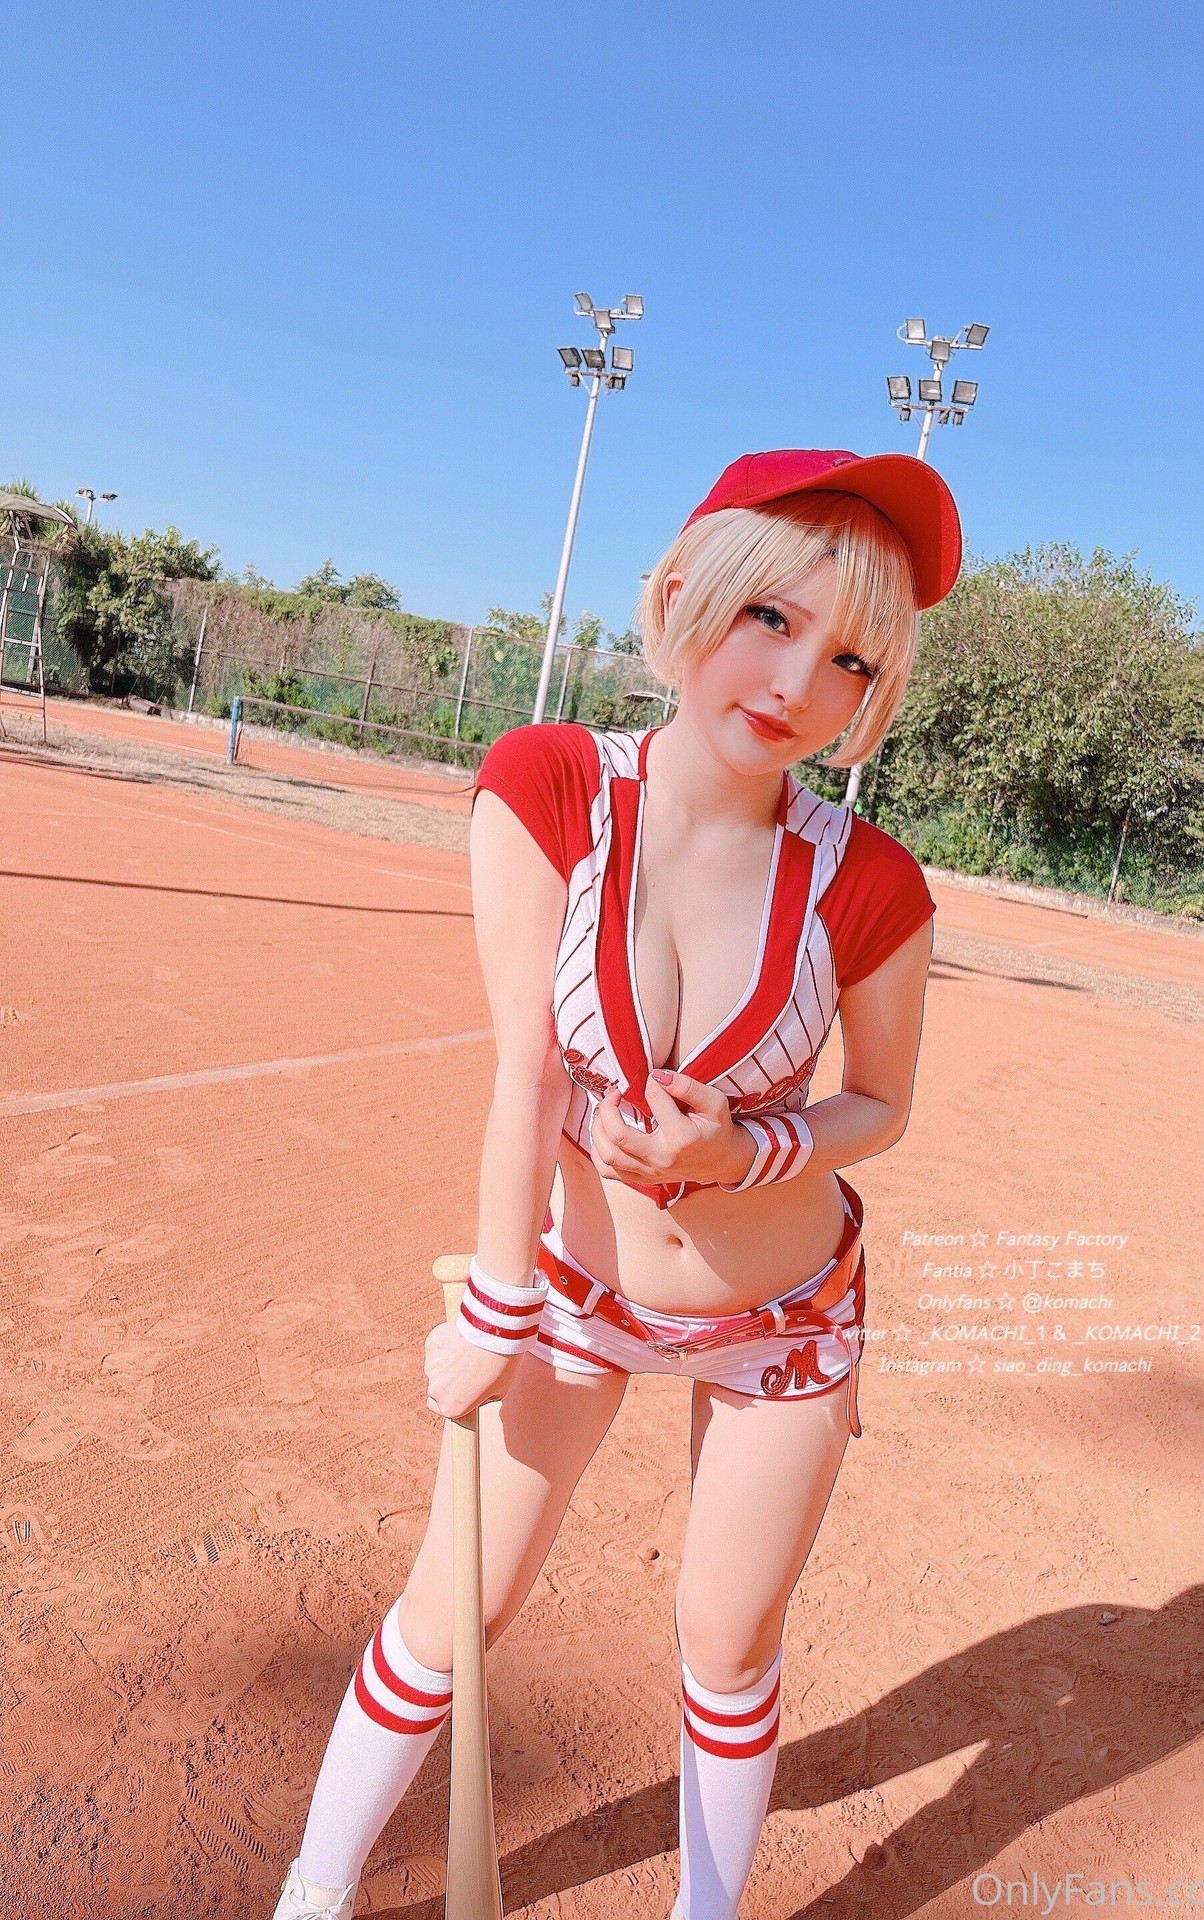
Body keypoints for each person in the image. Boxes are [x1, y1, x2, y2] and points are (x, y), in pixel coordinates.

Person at [271, 446, 961, 1920]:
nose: (798, 682)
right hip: (575, 1293)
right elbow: (527, 1068)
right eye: (770, 618)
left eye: (850, 658)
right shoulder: (553, 784)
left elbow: (884, 1105)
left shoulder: (873, 881)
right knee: (454, 1610)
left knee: (725, 1640)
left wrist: (746, 1151)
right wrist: (499, 1305)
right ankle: (311, 1901)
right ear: (685, 594)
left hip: (784, 1320)